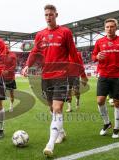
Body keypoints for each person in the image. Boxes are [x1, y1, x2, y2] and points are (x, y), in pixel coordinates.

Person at [22, 4, 87, 157]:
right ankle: (61, 132)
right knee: (52, 109)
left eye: (51, 14)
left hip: (61, 76)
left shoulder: (65, 32)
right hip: (46, 77)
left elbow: (74, 54)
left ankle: (50, 144)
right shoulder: (40, 35)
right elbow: (34, 52)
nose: (48, 17)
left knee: (57, 108)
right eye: (46, 15)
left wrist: (81, 73)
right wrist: (26, 66)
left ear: (56, 15)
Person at [92, 18, 119, 139]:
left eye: (112, 26)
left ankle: (116, 127)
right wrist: (97, 56)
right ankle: (107, 123)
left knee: (117, 103)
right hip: (103, 75)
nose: (109, 29)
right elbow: (93, 56)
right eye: (107, 27)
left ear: (116, 27)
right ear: (104, 28)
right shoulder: (99, 42)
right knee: (100, 101)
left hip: (118, 76)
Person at [3, 42, 17, 112]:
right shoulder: (1, 54)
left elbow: (14, 66)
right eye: (5, 45)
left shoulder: (13, 55)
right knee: (0, 94)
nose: (6, 47)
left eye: (7, 46)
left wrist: (7, 71)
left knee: (11, 93)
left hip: (11, 78)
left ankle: (11, 105)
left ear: (9, 47)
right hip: (2, 78)